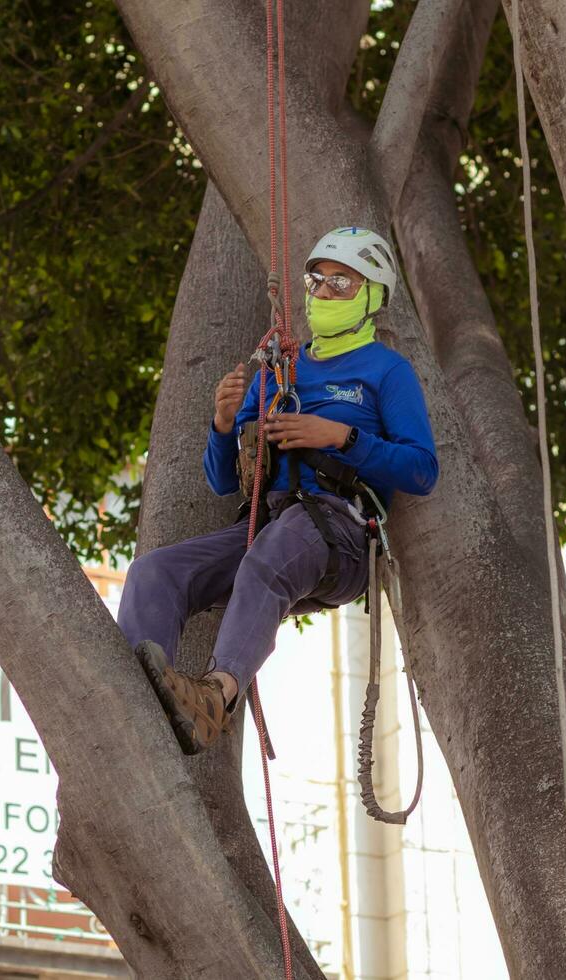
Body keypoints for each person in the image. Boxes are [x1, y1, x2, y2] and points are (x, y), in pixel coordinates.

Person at [117, 226, 439, 755]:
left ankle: (216, 697)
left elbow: (422, 469)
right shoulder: (278, 370)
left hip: (341, 532)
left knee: (274, 549)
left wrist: (342, 437)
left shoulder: (385, 371)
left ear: (372, 297)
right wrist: (223, 426)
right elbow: (224, 481)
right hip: (271, 526)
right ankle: (132, 700)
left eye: (343, 282)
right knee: (158, 571)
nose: (325, 291)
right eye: (318, 280)